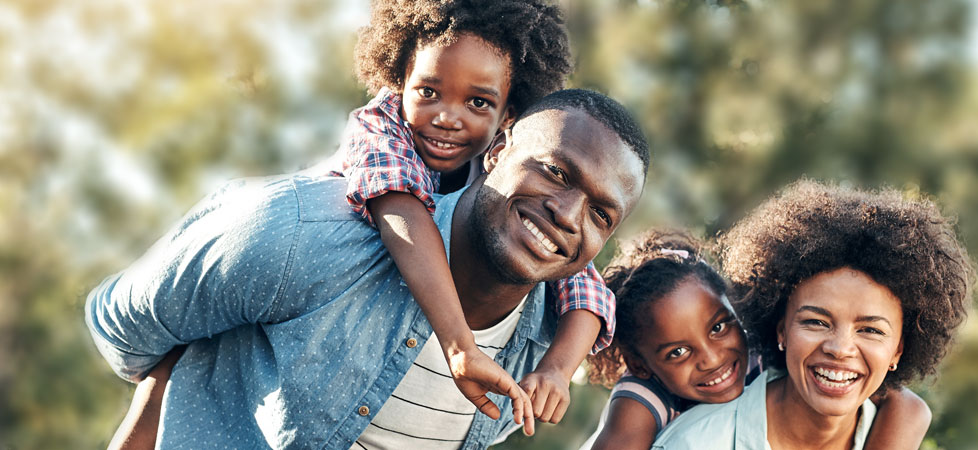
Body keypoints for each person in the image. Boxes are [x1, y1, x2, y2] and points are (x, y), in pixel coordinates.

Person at [85, 88, 650, 449]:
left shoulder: (547, 347)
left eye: (601, 212)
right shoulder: (303, 235)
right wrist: (163, 393)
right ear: (498, 149)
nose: (567, 214)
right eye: (554, 171)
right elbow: (123, 324)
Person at [335, 0, 613, 428]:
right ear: (399, 80)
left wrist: (557, 368)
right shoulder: (381, 126)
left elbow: (587, 288)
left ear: (509, 117)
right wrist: (461, 345)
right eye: (428, 92)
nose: (448, 118)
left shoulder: (511, 172)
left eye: (478, 103)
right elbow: (399, 208)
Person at [652, 180, 974, 449]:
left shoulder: (893, 434)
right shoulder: (694, 443)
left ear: (898, 350)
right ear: (781, 330)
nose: (840, 348)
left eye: (871, 330)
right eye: (816, 322)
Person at [580, 229, 933, 450]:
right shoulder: (642, 402)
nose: (711, 358)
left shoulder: (758, 350)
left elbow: (909, 405)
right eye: (679, 352)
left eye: (719, 328)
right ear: (641, 365)